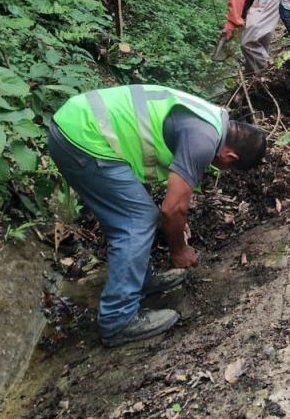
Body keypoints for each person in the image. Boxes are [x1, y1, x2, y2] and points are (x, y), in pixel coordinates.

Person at [47, 85, 266, 346]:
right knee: (137, 220)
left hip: (78, 124)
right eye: (228, 167)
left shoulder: (213, 118)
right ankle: (118, 320)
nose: (220, 169)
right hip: (82, 137)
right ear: (230, 155)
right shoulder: (203, 141)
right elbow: (172, 209)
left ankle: (139, 279)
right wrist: (179, 250)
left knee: (133, 215)